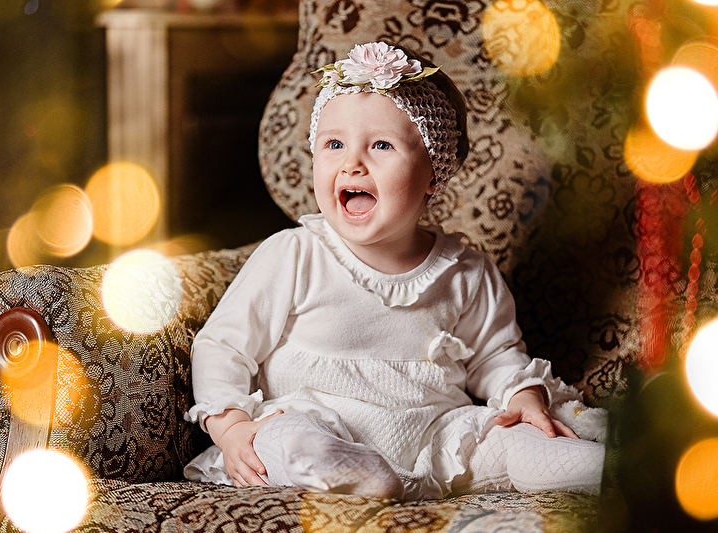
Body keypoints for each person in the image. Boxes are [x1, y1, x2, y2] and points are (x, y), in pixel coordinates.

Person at [184, 42, 605, 500]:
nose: (352, 163)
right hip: (321, 420)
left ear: (433, 174)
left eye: (381, 145)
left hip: (434, 437)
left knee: (512, 437)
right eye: (334, 144)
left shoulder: (465, 273)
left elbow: (495, 356)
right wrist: (232, 429)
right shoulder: (295, 255)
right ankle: (344, 470)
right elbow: (223, 346)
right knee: (287, 434)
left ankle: (601, 468)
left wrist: (522, 398)